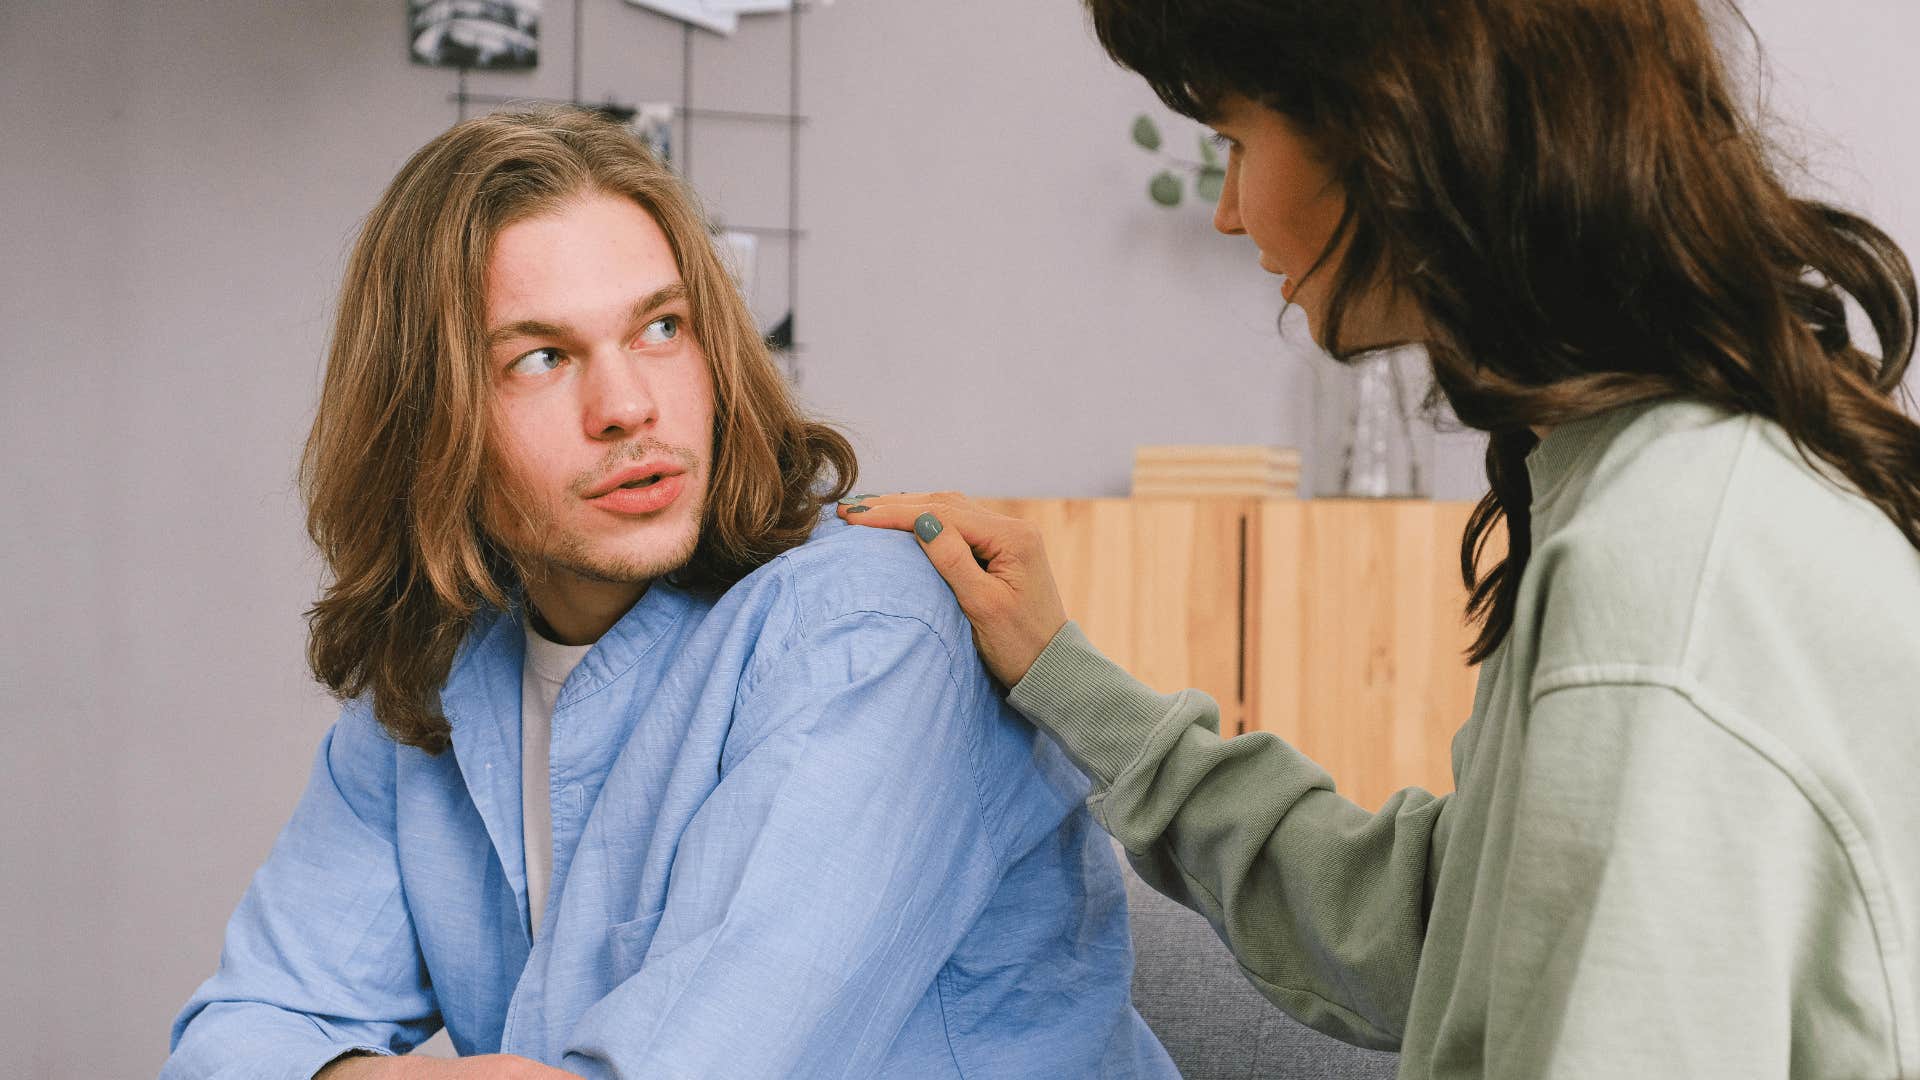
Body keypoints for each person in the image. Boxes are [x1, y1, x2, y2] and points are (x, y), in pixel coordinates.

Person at [841, 0, 1920, 1076]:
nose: (1226, 210)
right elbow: (1432, 936)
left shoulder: (1666, 573)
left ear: (1394, 126)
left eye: (1234, 142)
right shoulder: (1641, 486)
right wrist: (1064, 675)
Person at [161, 106, 1178, 1080]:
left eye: (660, 330)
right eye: (543, 357)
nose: (627, 407)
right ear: (431, 418)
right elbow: (240, 1035)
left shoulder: (869, 627)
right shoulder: (429, 687)